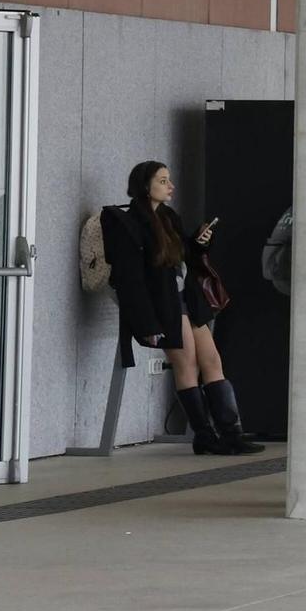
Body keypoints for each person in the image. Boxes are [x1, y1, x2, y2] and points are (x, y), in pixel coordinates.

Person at [100, 161, 264, 456]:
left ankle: (231, 433)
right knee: (186, 363)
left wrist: (200, 243)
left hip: (186, 298)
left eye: (169, 180)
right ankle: (205, 435)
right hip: (163, 304)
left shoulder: (168, 216)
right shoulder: (128, 223)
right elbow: (130, 278)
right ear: (145, 186)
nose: (170, 185)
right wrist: (147, 323)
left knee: (212, 360)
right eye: (163, 181)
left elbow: (185, 256)